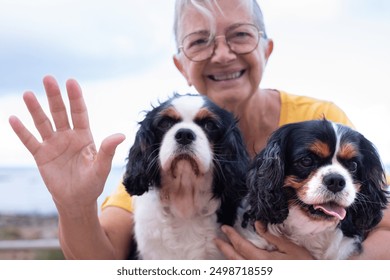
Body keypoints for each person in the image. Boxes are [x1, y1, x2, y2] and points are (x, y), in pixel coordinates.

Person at [9, 0, 390, 260]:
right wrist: (74, 205)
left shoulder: (322, 119)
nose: (222, 54)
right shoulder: (166, 145)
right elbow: (100, 257)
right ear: (180, 64)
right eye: (199, 41)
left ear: (266, 49)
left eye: (239, 34)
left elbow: (383, 225)